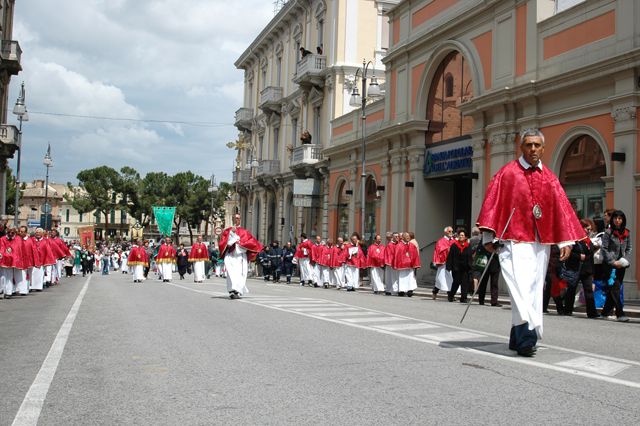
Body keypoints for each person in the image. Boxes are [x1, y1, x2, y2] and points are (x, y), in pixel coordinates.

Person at [477, 128, 584, 357]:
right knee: (519, 289)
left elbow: (561, 210)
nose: (533, 149)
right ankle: (527, 337)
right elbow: (492, 204)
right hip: (512, 241)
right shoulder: (508, 174)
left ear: (543, 148)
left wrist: (566, 241)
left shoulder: (550, 178)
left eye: (537, 145)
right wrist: (488, 237)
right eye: (528, 145)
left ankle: (518, 336)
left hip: (540, 242)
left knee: (534, 289)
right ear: (521, 147)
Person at [219, 213, 263, 299]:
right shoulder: (227, 231)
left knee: (240, 274)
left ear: (240, 220)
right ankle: (232, 290)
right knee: (231, 273)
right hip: (231, 256)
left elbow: (251, 242)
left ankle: (237, 291)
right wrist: (232, 235)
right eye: (235, 218)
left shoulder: (244, 232)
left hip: (240, 257)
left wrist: (240, 243)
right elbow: (223, 244)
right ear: (232, 219)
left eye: (238, 218)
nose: (236, 220)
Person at [560, 219, 598, 317]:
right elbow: (568, 253)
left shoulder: (588, 241)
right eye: (585, 228)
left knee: (588, 290)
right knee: (571, 289)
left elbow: (591, 257)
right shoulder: (574, 240)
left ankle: (592, 313)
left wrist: (593, 272)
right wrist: (579, 256)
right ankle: (567, 310)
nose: (587, 230)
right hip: (575, 268)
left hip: (587, 269)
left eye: (589, 229)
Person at [600, 210, 631, 322]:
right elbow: (604, 248)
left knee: (614, 289)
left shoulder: (627, 233)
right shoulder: (608, 232)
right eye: (615, 218)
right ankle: (620, 313)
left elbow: (628, 249)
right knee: (615, 288)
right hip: (610, 265)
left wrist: (624, 260)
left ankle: (605, 312)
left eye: (620, 219)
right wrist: (612, 262)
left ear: (623, 220)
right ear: (612, 219)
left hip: (621, 265)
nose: (617, 221)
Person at [0, 228, 28, 298]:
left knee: (13, 276)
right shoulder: (2, 239)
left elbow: (20, 250)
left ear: (15, 233)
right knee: (4, 276)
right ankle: (4, 291)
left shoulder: (18, 239)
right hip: (4, 260)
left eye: (12, 233)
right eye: (9, 232)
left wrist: (19, 259)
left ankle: (12, 291)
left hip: (14, 260)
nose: (10, 234)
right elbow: (2, 248)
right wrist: (5, 255)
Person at [446, 228, 472, 303]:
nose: (461, 236)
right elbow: (450, 256)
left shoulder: (468, 246)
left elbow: (469, 257)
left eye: (462, 235)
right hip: (456, 268)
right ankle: (451, 295)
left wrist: (470, 266)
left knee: (465, 283)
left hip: (465, 268)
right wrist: (449, 266)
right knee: (456, 282)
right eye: (460, 235)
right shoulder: (454, 245)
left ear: (465, 237)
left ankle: (463, 298)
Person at [394, 232, 420, 297]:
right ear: (402, 237)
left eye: (409, 236)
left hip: (410, 266)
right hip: (402, 266)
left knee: (410, 278)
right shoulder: (399, 246)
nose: (408, 237)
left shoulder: (412, 245)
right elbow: (397, 256)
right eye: (406, 236)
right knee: (402, 278)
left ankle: (410, 290)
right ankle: (401, 291)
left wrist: (416, 264)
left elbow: (415, 255)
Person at [432, 226, 454, 300]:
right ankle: (435, 292)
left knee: (451, 279)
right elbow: (439, 251)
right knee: (440, 279)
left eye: (452, 231)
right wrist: (447, 249)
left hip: (452, 263)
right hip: (443, 263)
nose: (451, 233)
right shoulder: (441, 241)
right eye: (449, 231)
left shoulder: (454, 240)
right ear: (445, 232)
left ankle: (450, 295)